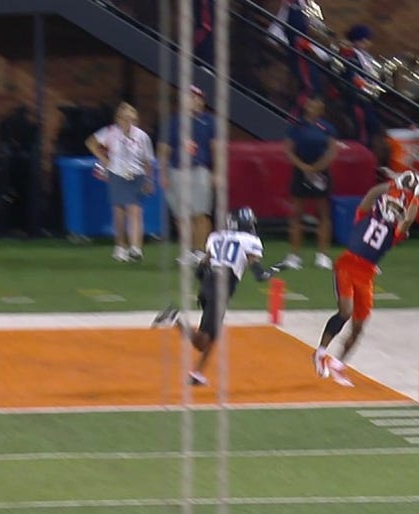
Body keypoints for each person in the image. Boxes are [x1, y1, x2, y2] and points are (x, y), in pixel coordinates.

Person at [314, 174, 419, 386]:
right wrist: (393, 185)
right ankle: (320, 352)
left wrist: (416, 196)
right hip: (347, 266)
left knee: (358, 327)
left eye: (398, 209)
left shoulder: (396, 233)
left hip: (367, 275)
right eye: (391, 204)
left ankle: (339, 365)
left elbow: (408, 219)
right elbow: (372, 194)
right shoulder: (365, 215)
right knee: (345, 311)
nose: (394, 210)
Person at [151, 207, 277, 386]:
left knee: (214, 332)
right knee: (202, 342)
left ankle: (197, 374)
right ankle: (175, 317)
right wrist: (266, 273)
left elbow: (202, 266)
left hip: (209, 283)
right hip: (222, 287)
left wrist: (205, 289)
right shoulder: (250, 240)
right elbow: (257, 270)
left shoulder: (217, 237)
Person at [87, 102, 155, 262]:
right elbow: (91, 143)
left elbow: (147, 160)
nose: (127, 121)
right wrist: (104, 159)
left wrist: (148, 179)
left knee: (135, 210)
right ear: (118, 118)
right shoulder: (109, 132)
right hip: (117, 173)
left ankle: (136, 248)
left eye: (130, 118)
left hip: (135, 175)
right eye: (124, 118)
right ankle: (120, 246)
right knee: (119, 211)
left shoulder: (142, 136)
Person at [158, 85, 219, 257]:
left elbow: (216, 149)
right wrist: (163, 173)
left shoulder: (209, 122)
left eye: (197, 97)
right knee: (182, 215)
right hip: (177, 170)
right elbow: (164, 149)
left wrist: (216, 173)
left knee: (201, 213)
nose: (194, 101)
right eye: (190, 97)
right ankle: (188, 251)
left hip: (200, 170)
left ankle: (201, 250)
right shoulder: (173, 122)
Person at [282, 97, 342, 270]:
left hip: (321, 173)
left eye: (317, 106)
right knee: (296, 213)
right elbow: (288, 149)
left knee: (323, 213)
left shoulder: (327, 128)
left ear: (322, 110)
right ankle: (294, 255)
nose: (313, 108)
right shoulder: (296, 126)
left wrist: (317, 168)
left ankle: (323, 256)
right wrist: (303, 167)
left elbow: (332, 150)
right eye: (310, 105)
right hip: (300, 172)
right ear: (306, 107)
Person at [339, 24, 382, 149]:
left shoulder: (365, 57)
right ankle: (361, 150)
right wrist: (368, 87)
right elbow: (352, 76)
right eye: (364, 40)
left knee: (372, 125)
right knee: (363, 127)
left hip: (365, 96)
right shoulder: (352, 56)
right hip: (356, 97)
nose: (368, 43)